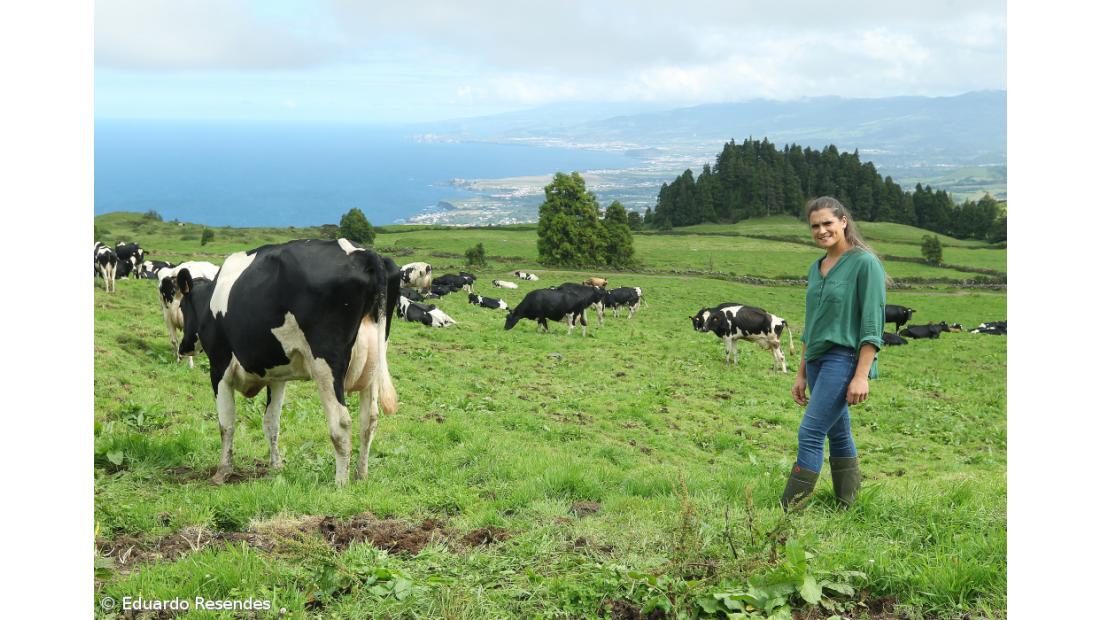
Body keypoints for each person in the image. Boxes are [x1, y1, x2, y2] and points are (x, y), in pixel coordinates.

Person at [782, 196, 887, 511]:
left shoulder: (864, 264)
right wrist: (800, 373)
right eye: (815, 226)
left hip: (844, 360)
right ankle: (848, 505)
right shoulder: (816, 268)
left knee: (811, 431)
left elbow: (872, 324)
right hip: (815, 361)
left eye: (827, 223)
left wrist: (860, 376)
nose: (821, 230)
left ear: (843, 221)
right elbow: (811, 326)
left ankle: (789, 510)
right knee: (838, 433)